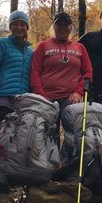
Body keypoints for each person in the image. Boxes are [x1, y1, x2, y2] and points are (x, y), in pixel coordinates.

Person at [30, 12, 93, 143]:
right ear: (54, 26)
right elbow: (34, 71)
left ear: (71, 27)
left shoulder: (79, 47)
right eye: (59, 24)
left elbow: (87, 72)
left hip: (71, 99)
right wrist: (41, 95)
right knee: (49, 135)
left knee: (73, 134)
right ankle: (52, 162)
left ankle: (69, 160)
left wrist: (79, 92)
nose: (63, 28)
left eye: (66, 25)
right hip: (47, 99)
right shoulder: (43, 46)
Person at [0, 10, 33, 136]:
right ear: (10, 27)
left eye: (22, 24)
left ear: (27, 27)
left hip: (22, 103)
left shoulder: (30, 52)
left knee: (16, 141)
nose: (19, 27)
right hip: (2, 101)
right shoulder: (1, 44)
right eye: (15, 24)